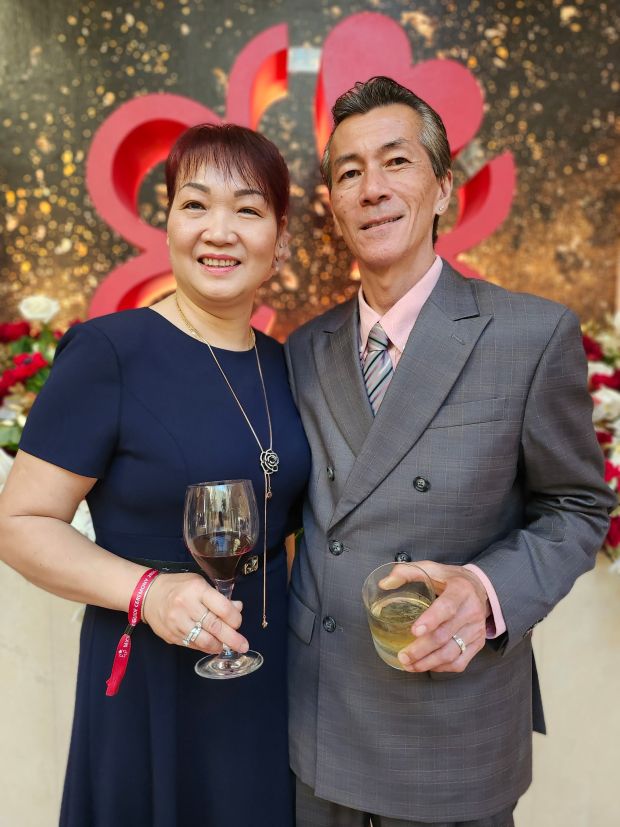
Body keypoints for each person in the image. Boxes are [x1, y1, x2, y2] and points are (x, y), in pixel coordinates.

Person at [284, 76, 615, 827]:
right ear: (333, 205)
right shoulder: (304, 349)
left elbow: (577, 505)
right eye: (348, 172)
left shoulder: (531, 335)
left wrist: (488, 591)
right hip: (321, 715)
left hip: (450, 726)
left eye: (396, 162)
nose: (371, 188)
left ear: (442, 188)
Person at [0, 123, 310, 826]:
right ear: (166, 224)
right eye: (195, 205)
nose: (218, 231)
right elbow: (19, 523)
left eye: (249, 209)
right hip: (149, 678)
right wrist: (149, 591)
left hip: (270, 678)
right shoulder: (110, 352)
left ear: (281, 236)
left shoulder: (289, 365)